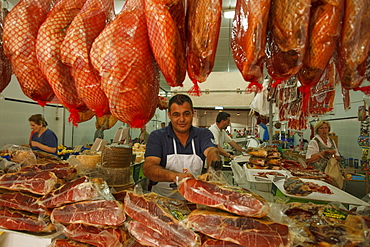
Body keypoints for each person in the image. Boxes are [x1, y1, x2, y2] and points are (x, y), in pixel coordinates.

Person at [143, 94, 221, 200]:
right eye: (176, 115)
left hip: (194, 201)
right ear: (169, 115)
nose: (182, 119)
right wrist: (175, 177)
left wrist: (213, 162)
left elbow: (211, 150)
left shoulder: (203, 134)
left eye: (186, 114)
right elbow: (149, 168)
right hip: (163, 201)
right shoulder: (157, 136)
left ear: (192, 113)